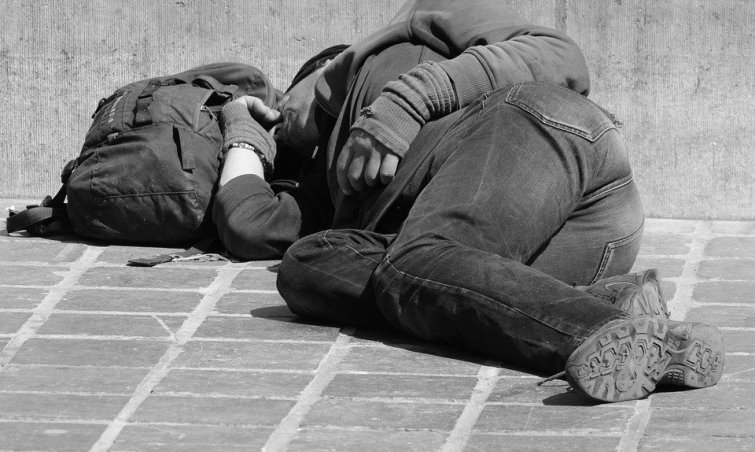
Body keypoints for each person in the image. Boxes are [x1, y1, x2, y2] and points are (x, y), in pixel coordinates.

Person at [214, 0, 724, 403]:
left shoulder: (407, 32)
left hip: (544, 137)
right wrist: (242, 130)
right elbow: (248, 225)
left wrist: (407, 100)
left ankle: (609, 332)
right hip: (543, 253)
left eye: (284, 99)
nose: (280, 115)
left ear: (325, 69)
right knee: (308, 267)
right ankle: (603, 303)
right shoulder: (330, 179)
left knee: (416, 260)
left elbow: (561, 56)